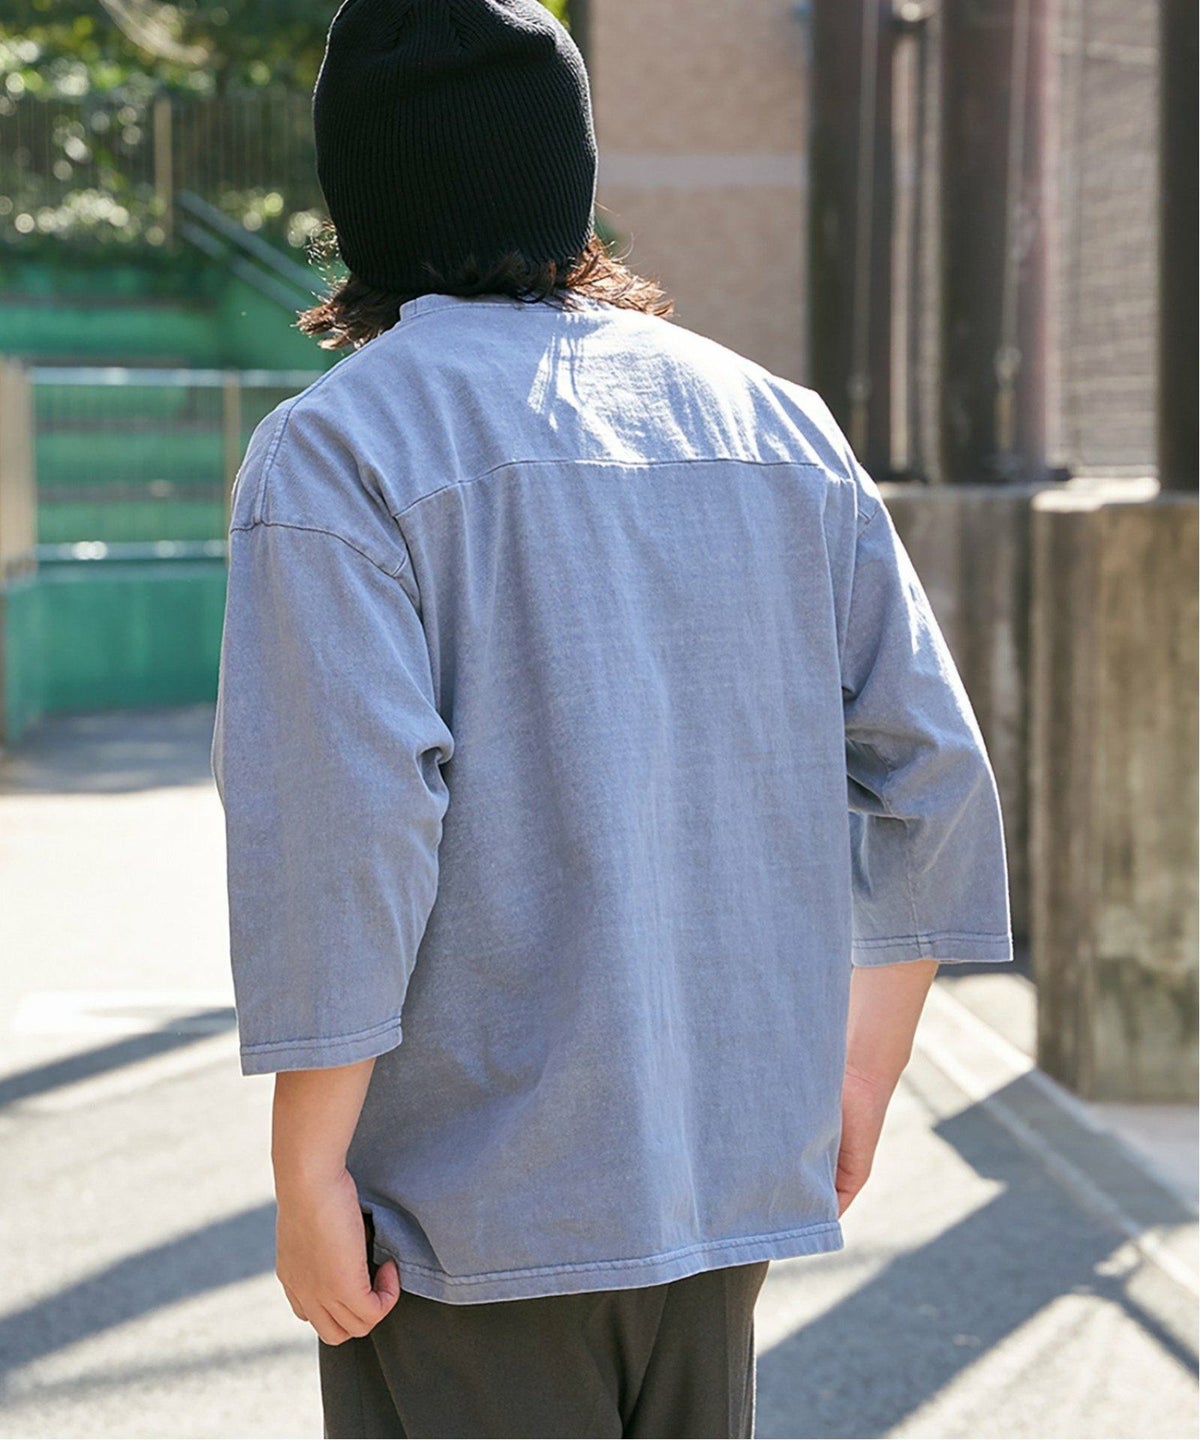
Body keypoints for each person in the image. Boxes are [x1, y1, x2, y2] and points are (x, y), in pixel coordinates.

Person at [210, 1, 1015, 1435]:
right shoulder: (780, 425)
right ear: (569, 177)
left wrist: (306, 1172)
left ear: (357, 197)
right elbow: (931, 771)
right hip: (721, 1182)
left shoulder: (338, 451)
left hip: (463, 1221)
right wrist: (856, 1077)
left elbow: (351, 829)